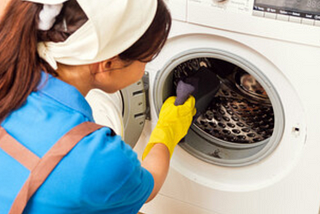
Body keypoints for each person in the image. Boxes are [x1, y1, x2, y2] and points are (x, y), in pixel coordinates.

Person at [0, 0, 196, 214]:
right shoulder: (98, 156)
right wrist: (167, 132)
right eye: (146, 60)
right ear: (108, 64)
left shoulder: (9, 81)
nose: (144, 70)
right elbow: (149, 187)